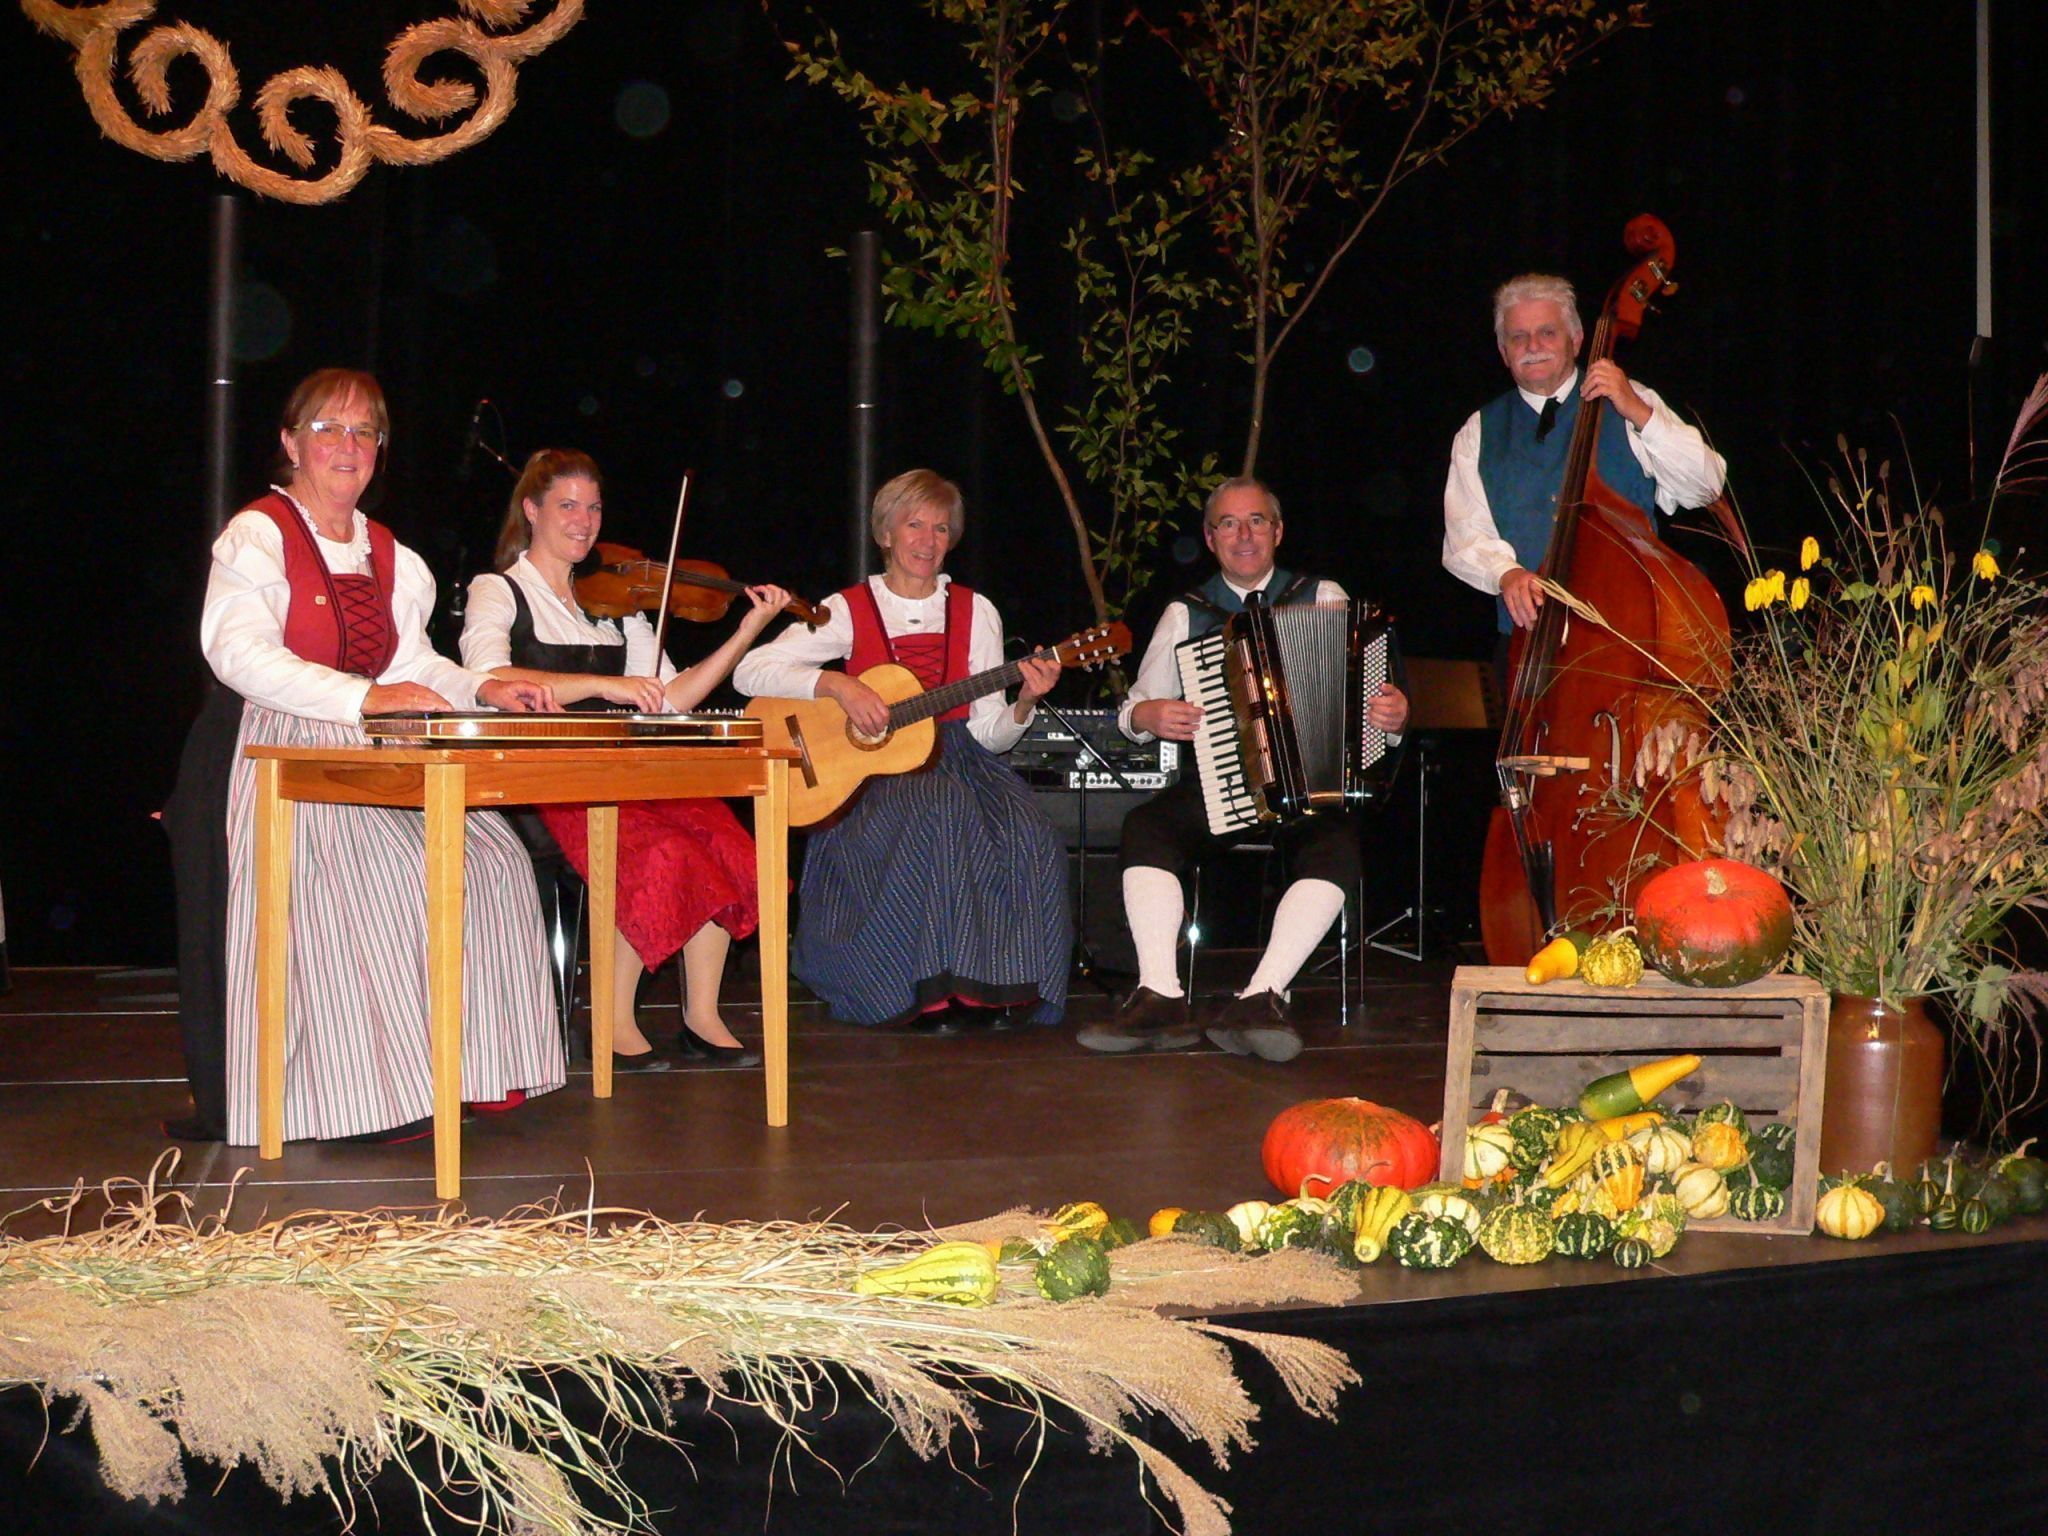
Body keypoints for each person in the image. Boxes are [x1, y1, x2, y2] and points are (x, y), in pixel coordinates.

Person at [161, 367, 562, 1145]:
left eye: (364, 432)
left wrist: (487, 687)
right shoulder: (258, 535)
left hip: (365, 747)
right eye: (327, 429)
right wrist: (361, 699)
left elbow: (415, 663)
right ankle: (353, 1101)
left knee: (495, 863)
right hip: (270, 748)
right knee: (358, 879)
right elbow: (235, 654)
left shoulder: (390, 555)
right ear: (289, 443)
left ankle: (470, 1068)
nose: (347, 446)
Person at [461, 448, 791, 1069]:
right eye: (567, 506)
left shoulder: (616, 604)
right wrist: (601, 688)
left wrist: (746, 631)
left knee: (726, 838)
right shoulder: (498, 589)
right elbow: (487, 674)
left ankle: (701, 1015)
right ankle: (610, 1021)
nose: (585, 520)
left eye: (594, 507)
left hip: (623, 772)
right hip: (543, 780)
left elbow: (668, 700)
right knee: (657, 853)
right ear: (532, 510)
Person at [1078, 477, 1410, 1064]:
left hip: (1312, 788)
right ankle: (1159, 992)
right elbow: (1135, 708)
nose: (1244, 534)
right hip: (1220, 785)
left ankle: (1262, 995)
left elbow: (1373, 699)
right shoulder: (1188, 612)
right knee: (1147, 828)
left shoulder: (1321, 594)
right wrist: (1150, 714)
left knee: (1337, 844)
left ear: (1278, 532)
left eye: (1257, 520)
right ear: (1210, 539)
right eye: (1228, 524)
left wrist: (1394, 714)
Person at [732, 468, 1070, 1029]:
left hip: (961, 757)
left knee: (1031, 831)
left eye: (940, 528)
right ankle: (922, 987)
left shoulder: (975, 610)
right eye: (914, 525)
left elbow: (988, 732)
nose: (927, 540)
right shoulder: (847, 607)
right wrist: (836, 683)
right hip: (875, 772)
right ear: (885, 534)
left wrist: (1024, 704)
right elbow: (751, 670)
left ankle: (1001, 985)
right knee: (933, 812)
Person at [1442, 272, 1727, 637]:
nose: (1532, 345)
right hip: (1529, 649)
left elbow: (1706, 486)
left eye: (1547, 332)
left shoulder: (1630, 399)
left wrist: (1639, 412)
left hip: (1633, 636)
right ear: (1503, 353)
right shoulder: (1478, 431)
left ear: (1576, 340)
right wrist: (1506, 573)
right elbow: (1464, 536)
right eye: (1518, 337)